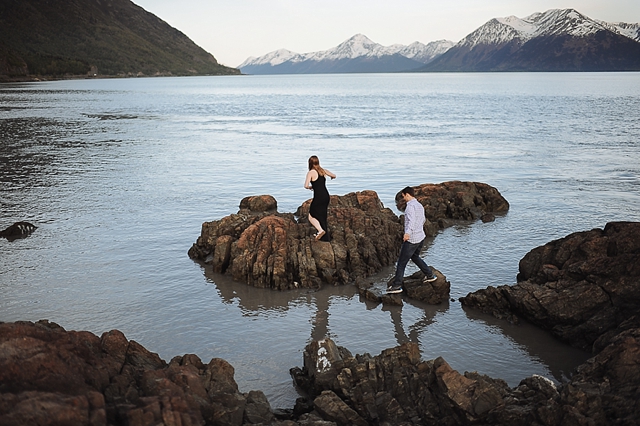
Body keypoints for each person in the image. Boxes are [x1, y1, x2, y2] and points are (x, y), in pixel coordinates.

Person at [388, 186, 437, 294]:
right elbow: (423, 219)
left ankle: (396, 286)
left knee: (401, 263)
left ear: (407, 194)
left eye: (403, 196)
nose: (403, 198)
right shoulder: (419, 205)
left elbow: (411, 221)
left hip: (412, 239)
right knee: (415, 257)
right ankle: (429, 275)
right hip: (420, 237)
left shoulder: (410, 207)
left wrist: (407, 233)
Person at [304, 156, 336, 241]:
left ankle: (320, 230)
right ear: (318, 162)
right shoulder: (323, 171)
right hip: (326, 196)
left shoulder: (311, 172)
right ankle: (324, 237)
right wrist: (332, 177)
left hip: (318, 197)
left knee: (311, 215)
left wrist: (311, 187)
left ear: (310, 163)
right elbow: (334, 175)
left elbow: (305, 185)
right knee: (322, 215)